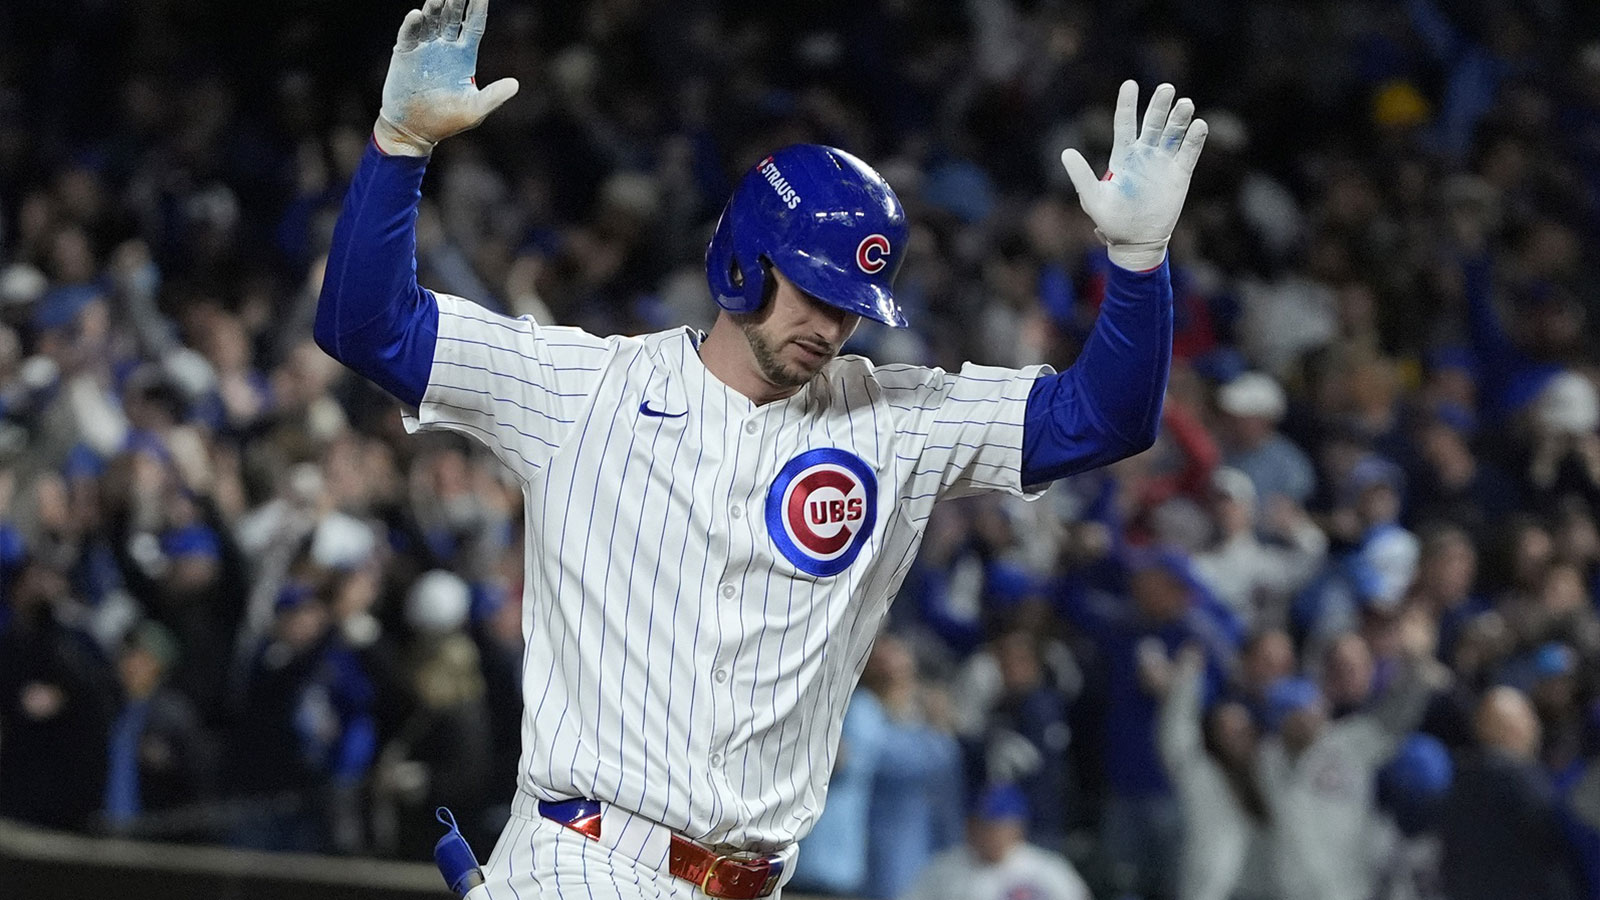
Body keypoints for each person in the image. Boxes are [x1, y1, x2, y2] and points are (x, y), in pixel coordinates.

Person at [314, 0, 1207, 895]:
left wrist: (1137, 263)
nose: (830, 325)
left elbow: (1106, 420)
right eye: (811, 291)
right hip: (583, 859)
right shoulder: (581, 390)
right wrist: (399, 147)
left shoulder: (897, 424)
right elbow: (367, 326)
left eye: (850, 304)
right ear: (745, 257)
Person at [899, 783, 1092, 900]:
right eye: (981, 825)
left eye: (996, 826)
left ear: (1017, 828)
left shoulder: (1048, 870)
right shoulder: (944, 869)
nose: (988, 835)